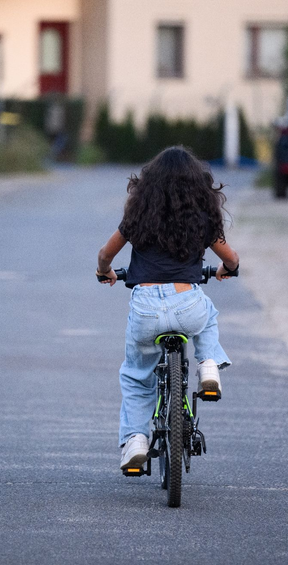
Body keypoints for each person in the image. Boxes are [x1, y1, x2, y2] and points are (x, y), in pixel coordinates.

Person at [96, 146, 240, 471]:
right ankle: (208, 366)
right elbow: (230, 259)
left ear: (148, 186)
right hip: (187, 301)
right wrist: (225, 269)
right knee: (207, 315)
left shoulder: (137, 218)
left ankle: (135, 439)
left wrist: (105, 270)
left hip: (145, 307)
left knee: (136, 377)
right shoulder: (202, 220)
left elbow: (106, 255)